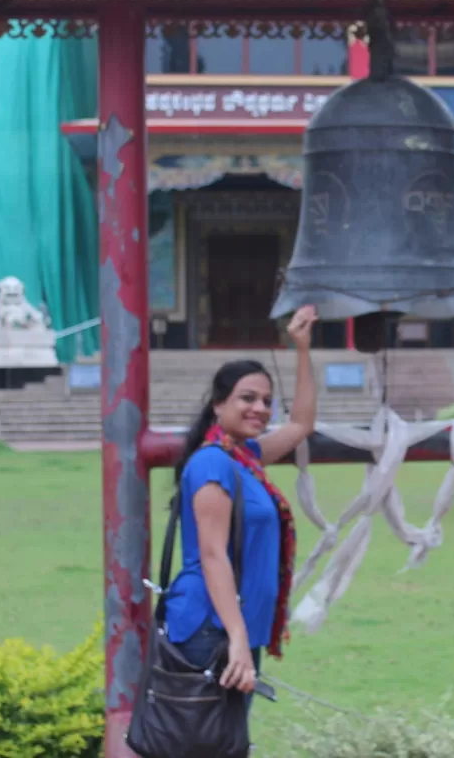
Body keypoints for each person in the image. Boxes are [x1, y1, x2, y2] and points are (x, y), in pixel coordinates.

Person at [165, 305, 318, 737]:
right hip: (210, 629)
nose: (260, 408)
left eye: (266, 401)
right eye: (247, 398)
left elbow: (302, 423)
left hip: (235, 628)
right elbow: (213, 557)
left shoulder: (245, 457)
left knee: (225, 744)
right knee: (208, 746)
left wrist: (302, 347)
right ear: (218, 405)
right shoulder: (212, 465)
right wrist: (236, 639)